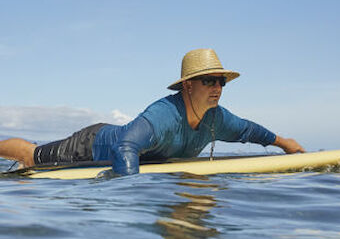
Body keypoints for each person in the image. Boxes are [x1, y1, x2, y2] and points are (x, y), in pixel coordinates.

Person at [0, 49, 304, 174]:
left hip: (124, 146)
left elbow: (249, 131)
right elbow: (126, 146)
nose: (217, 88)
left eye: (221, 81)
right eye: (209, 80)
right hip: (90, 147)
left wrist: (284, 143)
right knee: (31, 156)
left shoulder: (217, 117)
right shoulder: (163, 115)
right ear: (187, 85)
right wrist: (133, 193)